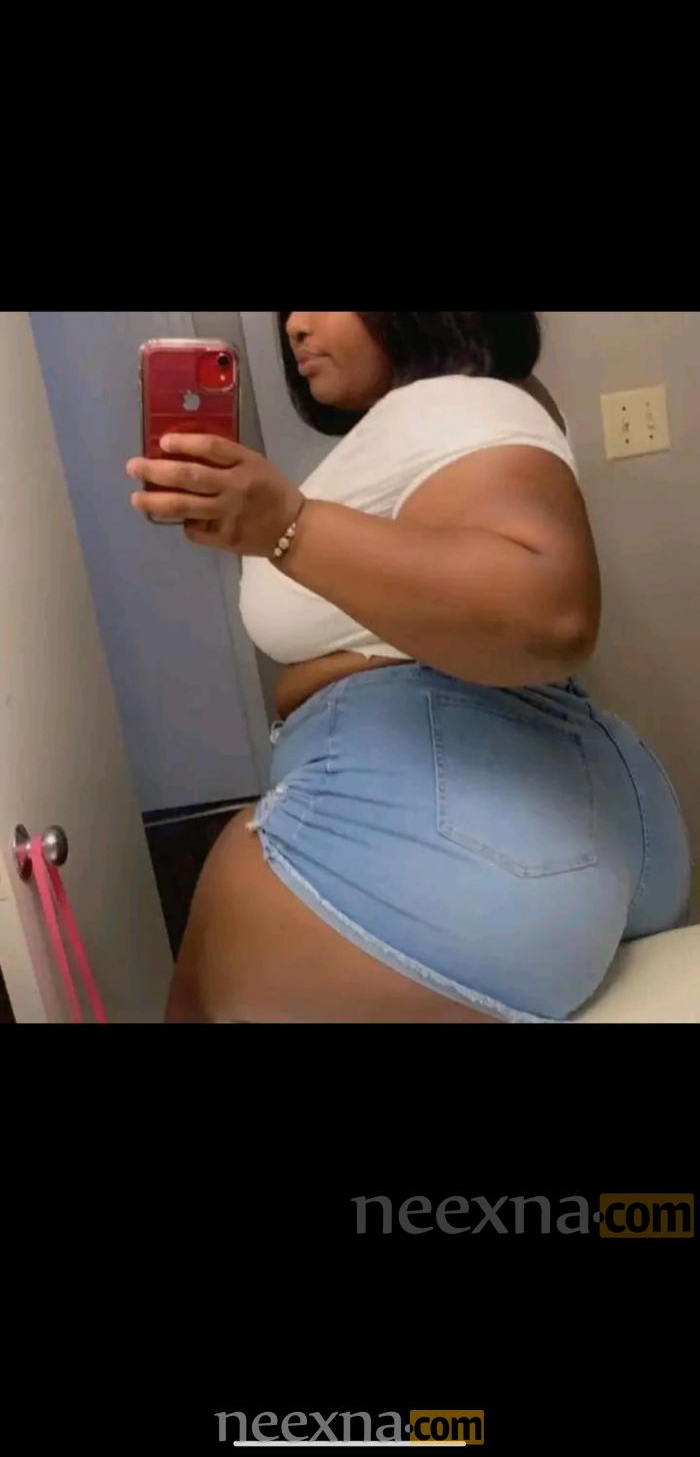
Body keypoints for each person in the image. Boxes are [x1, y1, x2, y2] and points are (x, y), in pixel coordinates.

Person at [126, 312, 692, 1024]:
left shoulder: (456, 400)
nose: (295, 326)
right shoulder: (442, 418)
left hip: (456, 842)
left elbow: (550, 613)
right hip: (536, 817)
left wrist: (287, 527)